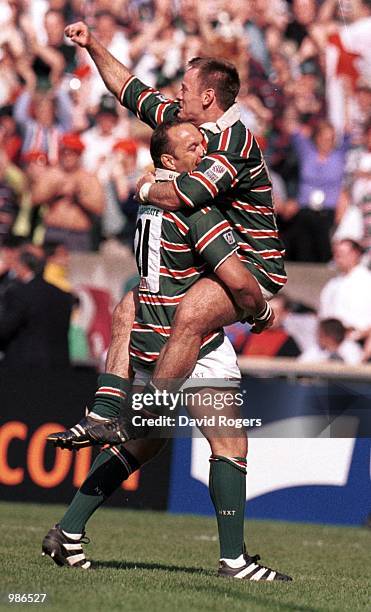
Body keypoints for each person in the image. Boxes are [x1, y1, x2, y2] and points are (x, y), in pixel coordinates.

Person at [44, 120, 291, 582]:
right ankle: (235, 561)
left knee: (148, 440)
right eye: (191, 146)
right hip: (191, 340)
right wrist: (259, 314)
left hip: (151, 332)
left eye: (201, 141)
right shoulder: (193, 209)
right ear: (169, 163)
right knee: (231, 444)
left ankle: (68, 530)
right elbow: (239, 280)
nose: (203, 150)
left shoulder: (150, 202)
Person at [58, 21, 286, 446]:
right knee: (130, 303)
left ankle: (143, 417)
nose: (177, 93)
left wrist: (143, 186)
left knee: (192, 315)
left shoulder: (235, 141)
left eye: (184, 87)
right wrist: (93, 45)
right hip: (209, 255)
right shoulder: (186, 130)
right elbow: (129, 89)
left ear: (208, 97)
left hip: (252, 264)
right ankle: (104, 413)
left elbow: (189, 193)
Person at [0, 242, 74, 368]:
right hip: (58, 365)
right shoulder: (63, 295)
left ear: (22, 265)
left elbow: (5, 329)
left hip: (24, 367)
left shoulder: (20, 293)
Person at [29, 133, 104, 251]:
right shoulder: (51, 174)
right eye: (65, 152)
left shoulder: (89, 178)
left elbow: (99, 208)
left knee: (78, 269)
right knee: (50, 269)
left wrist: (78, 195)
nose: (68, 156)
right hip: (54, 231)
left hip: (78, 234)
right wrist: (55, 190)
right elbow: (34, 199)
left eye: (72, 153)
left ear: (79, 155)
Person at [319, 239, 371, 342]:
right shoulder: (332, 284)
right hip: (331, 340)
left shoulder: (367, 281)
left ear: (355, 254)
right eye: (336, 254)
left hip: (358, 339)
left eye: (341, 254)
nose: (337, 258)